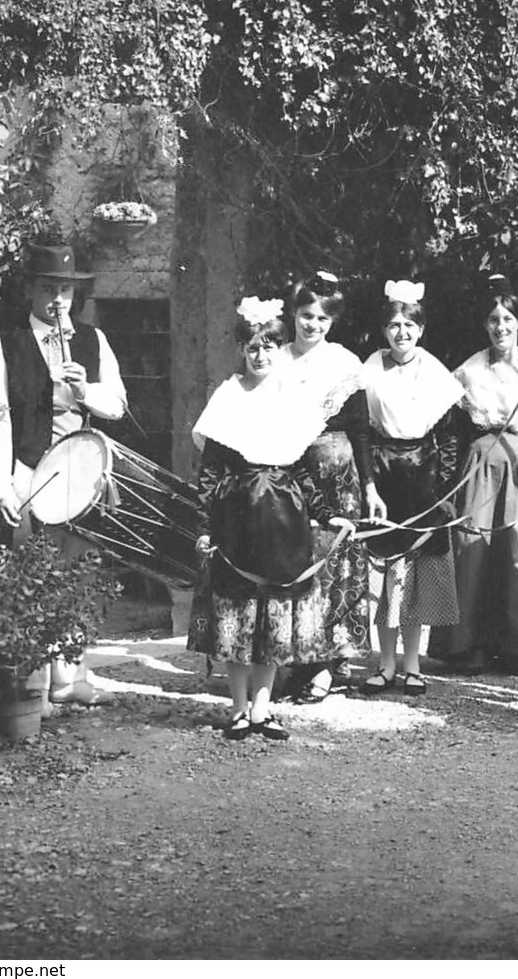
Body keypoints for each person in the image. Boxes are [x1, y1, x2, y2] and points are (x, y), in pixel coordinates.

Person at [188, 297, 342, 741]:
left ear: (280, 349)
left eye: (270, 347)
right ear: (242, 349)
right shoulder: (228, 396)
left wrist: (327, 514)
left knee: (273, 618)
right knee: (238, 618)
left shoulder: (291, 398)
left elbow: (302, 471)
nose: (261, 356)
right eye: (253, 347)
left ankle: (262, 708)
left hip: (284, 521)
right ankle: (237, 708)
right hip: (237, 519)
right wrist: (205, 526)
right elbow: (210, 472)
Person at [0, 241, 127, 709]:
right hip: (31, 471)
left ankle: (71, 677)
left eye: (66, 288)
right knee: (34, 577)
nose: (58, 299)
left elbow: (118, 407)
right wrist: (2, 484)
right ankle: (33, 686)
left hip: (81, 476)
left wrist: (86, 389)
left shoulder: (93, 340)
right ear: (30, 290)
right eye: (49, 288)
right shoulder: (7, 345)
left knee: (79, 574)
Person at [357, 280, 465, 696]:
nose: (401, 332)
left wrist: (443, 487)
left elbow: (452, 436)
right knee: (386, 574)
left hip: (423, 474)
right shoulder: (369, 369)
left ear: (421, 329)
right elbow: (363, 432)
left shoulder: (434, 371)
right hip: (384, 475)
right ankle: (384, 664)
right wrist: (368, 481)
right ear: (384, 330)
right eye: (394, 324)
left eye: (409, 325)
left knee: (415, 575)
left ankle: (412, 664)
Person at [277, 272, 380, 703]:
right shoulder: (276, 359)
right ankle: (295, 658)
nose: (312, 325)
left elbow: (360, 431)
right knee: (296, 564)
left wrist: (371, 486)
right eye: (305, 316)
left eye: (321, 318)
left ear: (331, 321)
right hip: (288, 476)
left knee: (336, 568)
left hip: (340, 481)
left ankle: (328, 665)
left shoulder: (345, 365)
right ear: (292, 315)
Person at [449, 275, 518, 674]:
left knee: (517, 547)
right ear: (485, 325)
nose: (501, 327)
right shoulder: (469, 372)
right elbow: (453, 427)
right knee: (475, 549)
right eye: (494, 319)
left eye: (508, 318)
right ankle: (470, 644)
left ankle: (515, 645)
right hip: (482, 463)